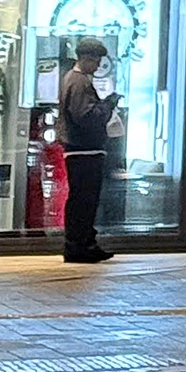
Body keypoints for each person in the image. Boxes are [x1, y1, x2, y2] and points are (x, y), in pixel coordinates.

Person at [58, 39, 120, 263]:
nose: (97, 66)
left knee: (81, 199)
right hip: (84, 150)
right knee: (84, 199)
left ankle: (83, 242)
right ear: (86, 59)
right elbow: (86, 116)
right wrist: (108, 105)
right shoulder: (79, 82)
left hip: (79, 149)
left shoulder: (72, 80)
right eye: (95, 61)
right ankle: (80, 245)